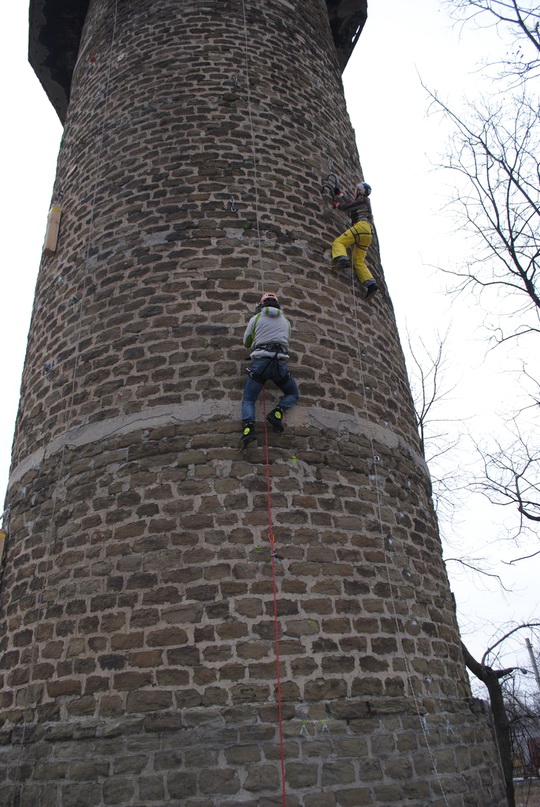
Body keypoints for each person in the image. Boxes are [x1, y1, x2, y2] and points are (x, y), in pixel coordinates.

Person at [241, 292, 299, 445]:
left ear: (261, 305)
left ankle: (248, 429)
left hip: (261, 362)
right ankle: (277, 413)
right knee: (292, 393)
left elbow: (246, 342)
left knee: (248, 399)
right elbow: (287, 340)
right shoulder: (286, 322)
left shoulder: (257, 318)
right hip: (280, 364)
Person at [331, 181, 378, 300]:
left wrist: (337, 205)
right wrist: (340, 194)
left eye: (357, 189)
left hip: (361, 227)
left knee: (339, 243)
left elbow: (348, 207)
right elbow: (352, 204)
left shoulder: (363, 200)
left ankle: (342, 259)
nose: (355, 191)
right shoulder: (363, 202)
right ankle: (371, 284)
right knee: (358, 260)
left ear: (360, 190)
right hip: (368, 233)